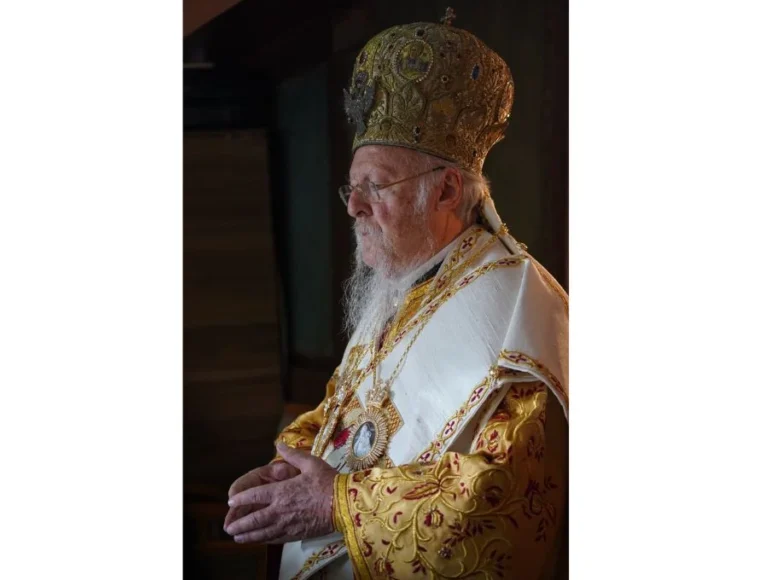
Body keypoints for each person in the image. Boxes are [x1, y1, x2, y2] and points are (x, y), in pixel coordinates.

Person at [224, 8, 568, 579]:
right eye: (352, 187)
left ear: (447, 191)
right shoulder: (403, 285)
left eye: (375, 186)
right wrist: (290, 468)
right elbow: (349, 410)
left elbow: (500, 508)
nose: (354, 206)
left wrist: (337, 503)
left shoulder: (517, 308)